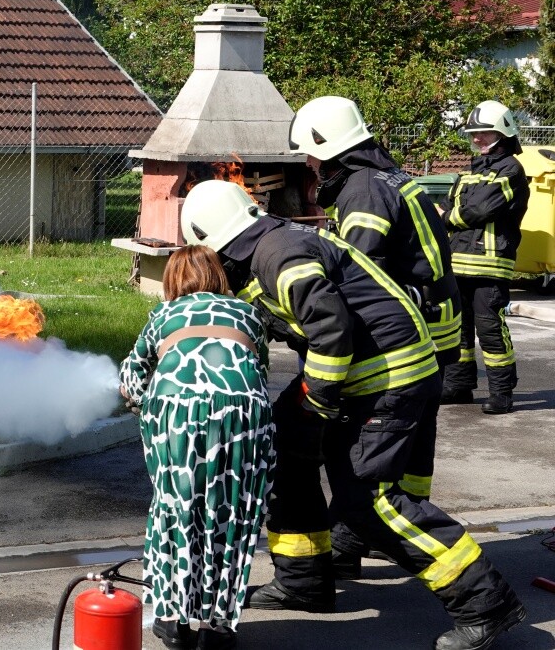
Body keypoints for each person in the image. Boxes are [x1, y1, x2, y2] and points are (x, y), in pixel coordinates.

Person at [180, 180, 525, 650]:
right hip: (365, 372)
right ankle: (303, 581)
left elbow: (331, 329)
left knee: (369, 502)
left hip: (386, 378)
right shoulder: (270, 245)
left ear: (212, 239)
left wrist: (316, 401)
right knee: (286, 449)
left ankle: (486, 603)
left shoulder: (279, 256)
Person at [289, 95, 462, 579]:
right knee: (411, 443)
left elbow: (357, 271)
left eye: (310, 153)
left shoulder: (363, 192)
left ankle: (385, 534)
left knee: (365, 446)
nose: (308, 163)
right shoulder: (389, 175)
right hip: (436, 322)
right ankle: (376, 535)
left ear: (328, 148)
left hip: (406, 332)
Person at [119, 244, 275, 650]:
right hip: (243, 414)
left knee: (176, 508)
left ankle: (172, 619)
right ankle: (217, 625)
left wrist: (135, 398)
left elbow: (134, 375)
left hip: (177, 414)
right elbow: (259, 368)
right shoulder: (249, 313)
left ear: (172, 280)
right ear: (218, 276)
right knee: (231, 512)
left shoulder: (164, 315)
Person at [438, 100, 530, 415]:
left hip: (490, 266)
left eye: (484, 133)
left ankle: (502, 394)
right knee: (458, 330)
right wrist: (451, 213)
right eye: (474, 133)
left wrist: (446, 217)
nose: (477, 139)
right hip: (458, 263)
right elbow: (463, 207)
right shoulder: (471, 170)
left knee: (489, 328)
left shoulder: (511, 171)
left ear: (503, 133)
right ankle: (459, 386)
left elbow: (481, 209)